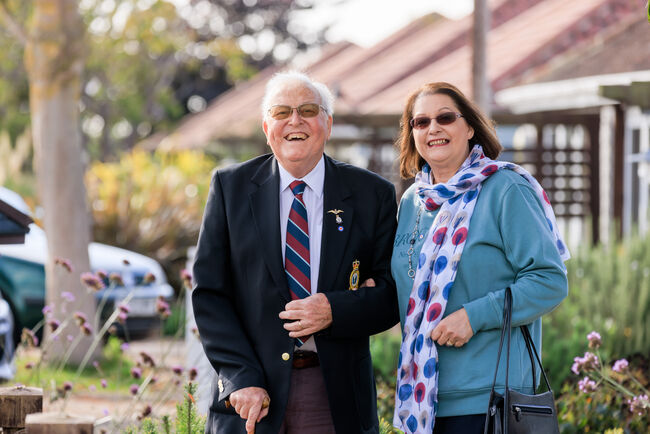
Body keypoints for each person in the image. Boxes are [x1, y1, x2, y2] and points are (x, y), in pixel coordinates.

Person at [192, 70, 399, 434]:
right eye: (282, 111)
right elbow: (210, 294)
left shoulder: (372, 194)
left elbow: (391, 294)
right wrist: (241, 376)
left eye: (307, 109)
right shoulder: (230, 189)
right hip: (252, 395)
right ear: (265, 125)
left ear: (328, 123)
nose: (295, 121)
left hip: (334, 396)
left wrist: (334, 309)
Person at [390, 82, 569, 434]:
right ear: (412, 135)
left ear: (469, 127)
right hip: (422, 401)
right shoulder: (413, 201)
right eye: (421, 122)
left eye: (445, 117)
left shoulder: (505, 189)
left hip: (490, 399)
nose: (433, 129)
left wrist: (474, 316)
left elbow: (549, 280)